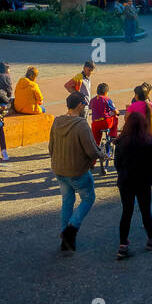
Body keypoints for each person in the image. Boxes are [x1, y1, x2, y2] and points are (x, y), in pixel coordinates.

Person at [49, 93, 105, 252]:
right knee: (88, 198)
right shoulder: (81, 124)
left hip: (59, 170)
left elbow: (50, 148)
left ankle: (65, 242)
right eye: (84, 105)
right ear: (80, 105)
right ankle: (70, 229)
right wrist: (102, 153)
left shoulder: (56, 121)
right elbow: (91, 151)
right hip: (77, 171)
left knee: (67, 201)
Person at [114, 110, 152, 259]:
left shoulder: (121, 141)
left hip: (125, 182)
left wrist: (124, 173)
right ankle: (151, 239)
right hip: (143, 182)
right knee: (145, 211)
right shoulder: (148, 142)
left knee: (126, 212)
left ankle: (123, 245)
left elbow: (117, 164)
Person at [89, 83, 120, 172]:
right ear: (106, 92)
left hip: (95, 124)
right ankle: (113, 135)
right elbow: (114, 110)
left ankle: (92, 162)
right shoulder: (107, 99)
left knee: (95, 143)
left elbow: (92, 108)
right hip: (105, 123)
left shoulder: (93, 100)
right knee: (115, 118)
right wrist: (116, 112)